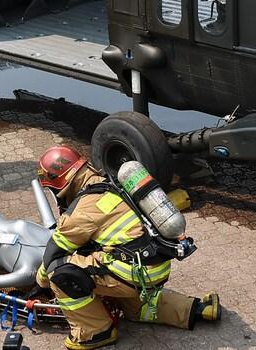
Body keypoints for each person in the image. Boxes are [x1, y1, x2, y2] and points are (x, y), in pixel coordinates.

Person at [35, 146, 220, 349]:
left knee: (59, 273)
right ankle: (197, 310)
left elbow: (54, 253)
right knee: (137, 308)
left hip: (131, 273)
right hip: (154, 266)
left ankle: (95, 333)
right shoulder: (110, 184)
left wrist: (41, 280)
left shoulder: (83, 210)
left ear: (59, 184)